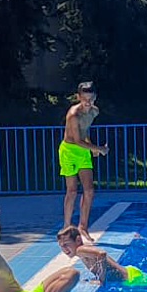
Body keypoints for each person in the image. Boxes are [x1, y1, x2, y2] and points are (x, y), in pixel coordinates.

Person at [56, 225, 147, 286]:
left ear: (78, 240)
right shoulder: (84, 250)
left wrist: (102, 279)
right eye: (61, 246)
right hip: (129, 272)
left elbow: (101, 254)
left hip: (130, 278)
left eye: (66, 244)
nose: (64, 249)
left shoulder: (81, 250)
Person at [59, 81, 107, 239]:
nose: (88, 102)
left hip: (83, 150)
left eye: (91, 99)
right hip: (69, 151)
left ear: (95, 97)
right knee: (72, 191)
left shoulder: (94, 111)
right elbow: (76, 140)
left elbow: (84, 131)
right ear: (78, 97)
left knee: (89, 191)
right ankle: (66, 227)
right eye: (85, 99)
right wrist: (97, 148)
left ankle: (83, 226)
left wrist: (92, 147)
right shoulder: (73, 114)